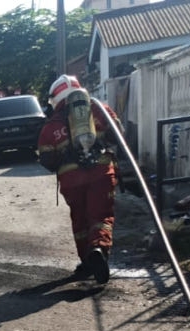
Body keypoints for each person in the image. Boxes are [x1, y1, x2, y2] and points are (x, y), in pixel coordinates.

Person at [37, 75, 121, 284]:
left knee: (80, 220)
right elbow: (118, 133)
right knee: (101, 216)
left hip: (71, 180)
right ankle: (99, 249)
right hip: (101, 173)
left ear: (55, 98)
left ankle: (87, 262)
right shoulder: (99, 110)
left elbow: (47, 159)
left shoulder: (52, 124)